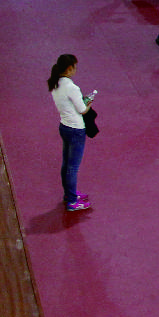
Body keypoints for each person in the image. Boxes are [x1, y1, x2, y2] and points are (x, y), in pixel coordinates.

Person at [49, 53, 93, 212]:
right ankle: (72, 201)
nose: (76, 69)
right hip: (76, 130)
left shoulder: (55, 84)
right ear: (69, 68)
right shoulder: (72, 88)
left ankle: (69, 194)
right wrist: (88, 103)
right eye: (75, 67)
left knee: (66, 163)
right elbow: (82, 110)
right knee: (73, 167)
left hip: (64, 127)